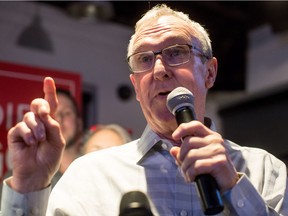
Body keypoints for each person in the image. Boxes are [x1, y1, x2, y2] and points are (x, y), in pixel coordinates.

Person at [1, 4, 288, 216]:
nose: (160, 70)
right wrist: (28, 187)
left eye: (176, 52)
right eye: (145, 59)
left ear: (210, 72)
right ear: (136, 86)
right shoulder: (89, 176)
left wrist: (232, 187)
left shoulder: (265, 171)